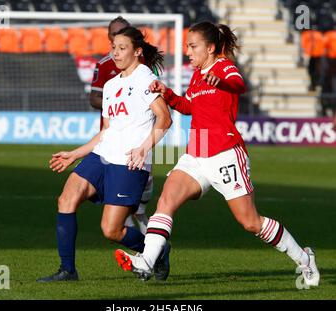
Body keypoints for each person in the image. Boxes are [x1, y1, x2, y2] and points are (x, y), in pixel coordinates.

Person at [115, 21, 320, 287]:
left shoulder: (224, 67)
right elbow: (188, 107)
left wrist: (219, 80)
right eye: (187, 47)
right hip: (197, 150)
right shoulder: (198, 74)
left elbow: (238, 85)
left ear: (210, 48)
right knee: (166, 200)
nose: (188, 52)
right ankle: (147, 261)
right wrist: (167, 94)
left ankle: (304, 259)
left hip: (225, 153)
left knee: (250, 222)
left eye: (193, 46)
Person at [37, 26, 172, 282]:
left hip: (128, 163)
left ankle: (157, 251)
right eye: (113, 48)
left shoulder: (145, 78)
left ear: (137, 51)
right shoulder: (110, 86)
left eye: (122, 48)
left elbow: (164, 120)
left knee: (111, 230)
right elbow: (106, 131)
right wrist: (75, 154)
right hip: (101, 156)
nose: (116, 53)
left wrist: (144, 148)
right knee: (66, 200)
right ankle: (68, 270)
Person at [90, 16, 152, 235]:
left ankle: (153, 250)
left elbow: (162, 115)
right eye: (114, 38)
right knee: (78, 195)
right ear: (109, 37)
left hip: (134, 147)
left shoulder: (142, 71)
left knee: (134, 210)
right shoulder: (106, 68)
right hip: (108, 144)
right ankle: (148, 252)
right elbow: (93, 98)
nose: (117, 49)